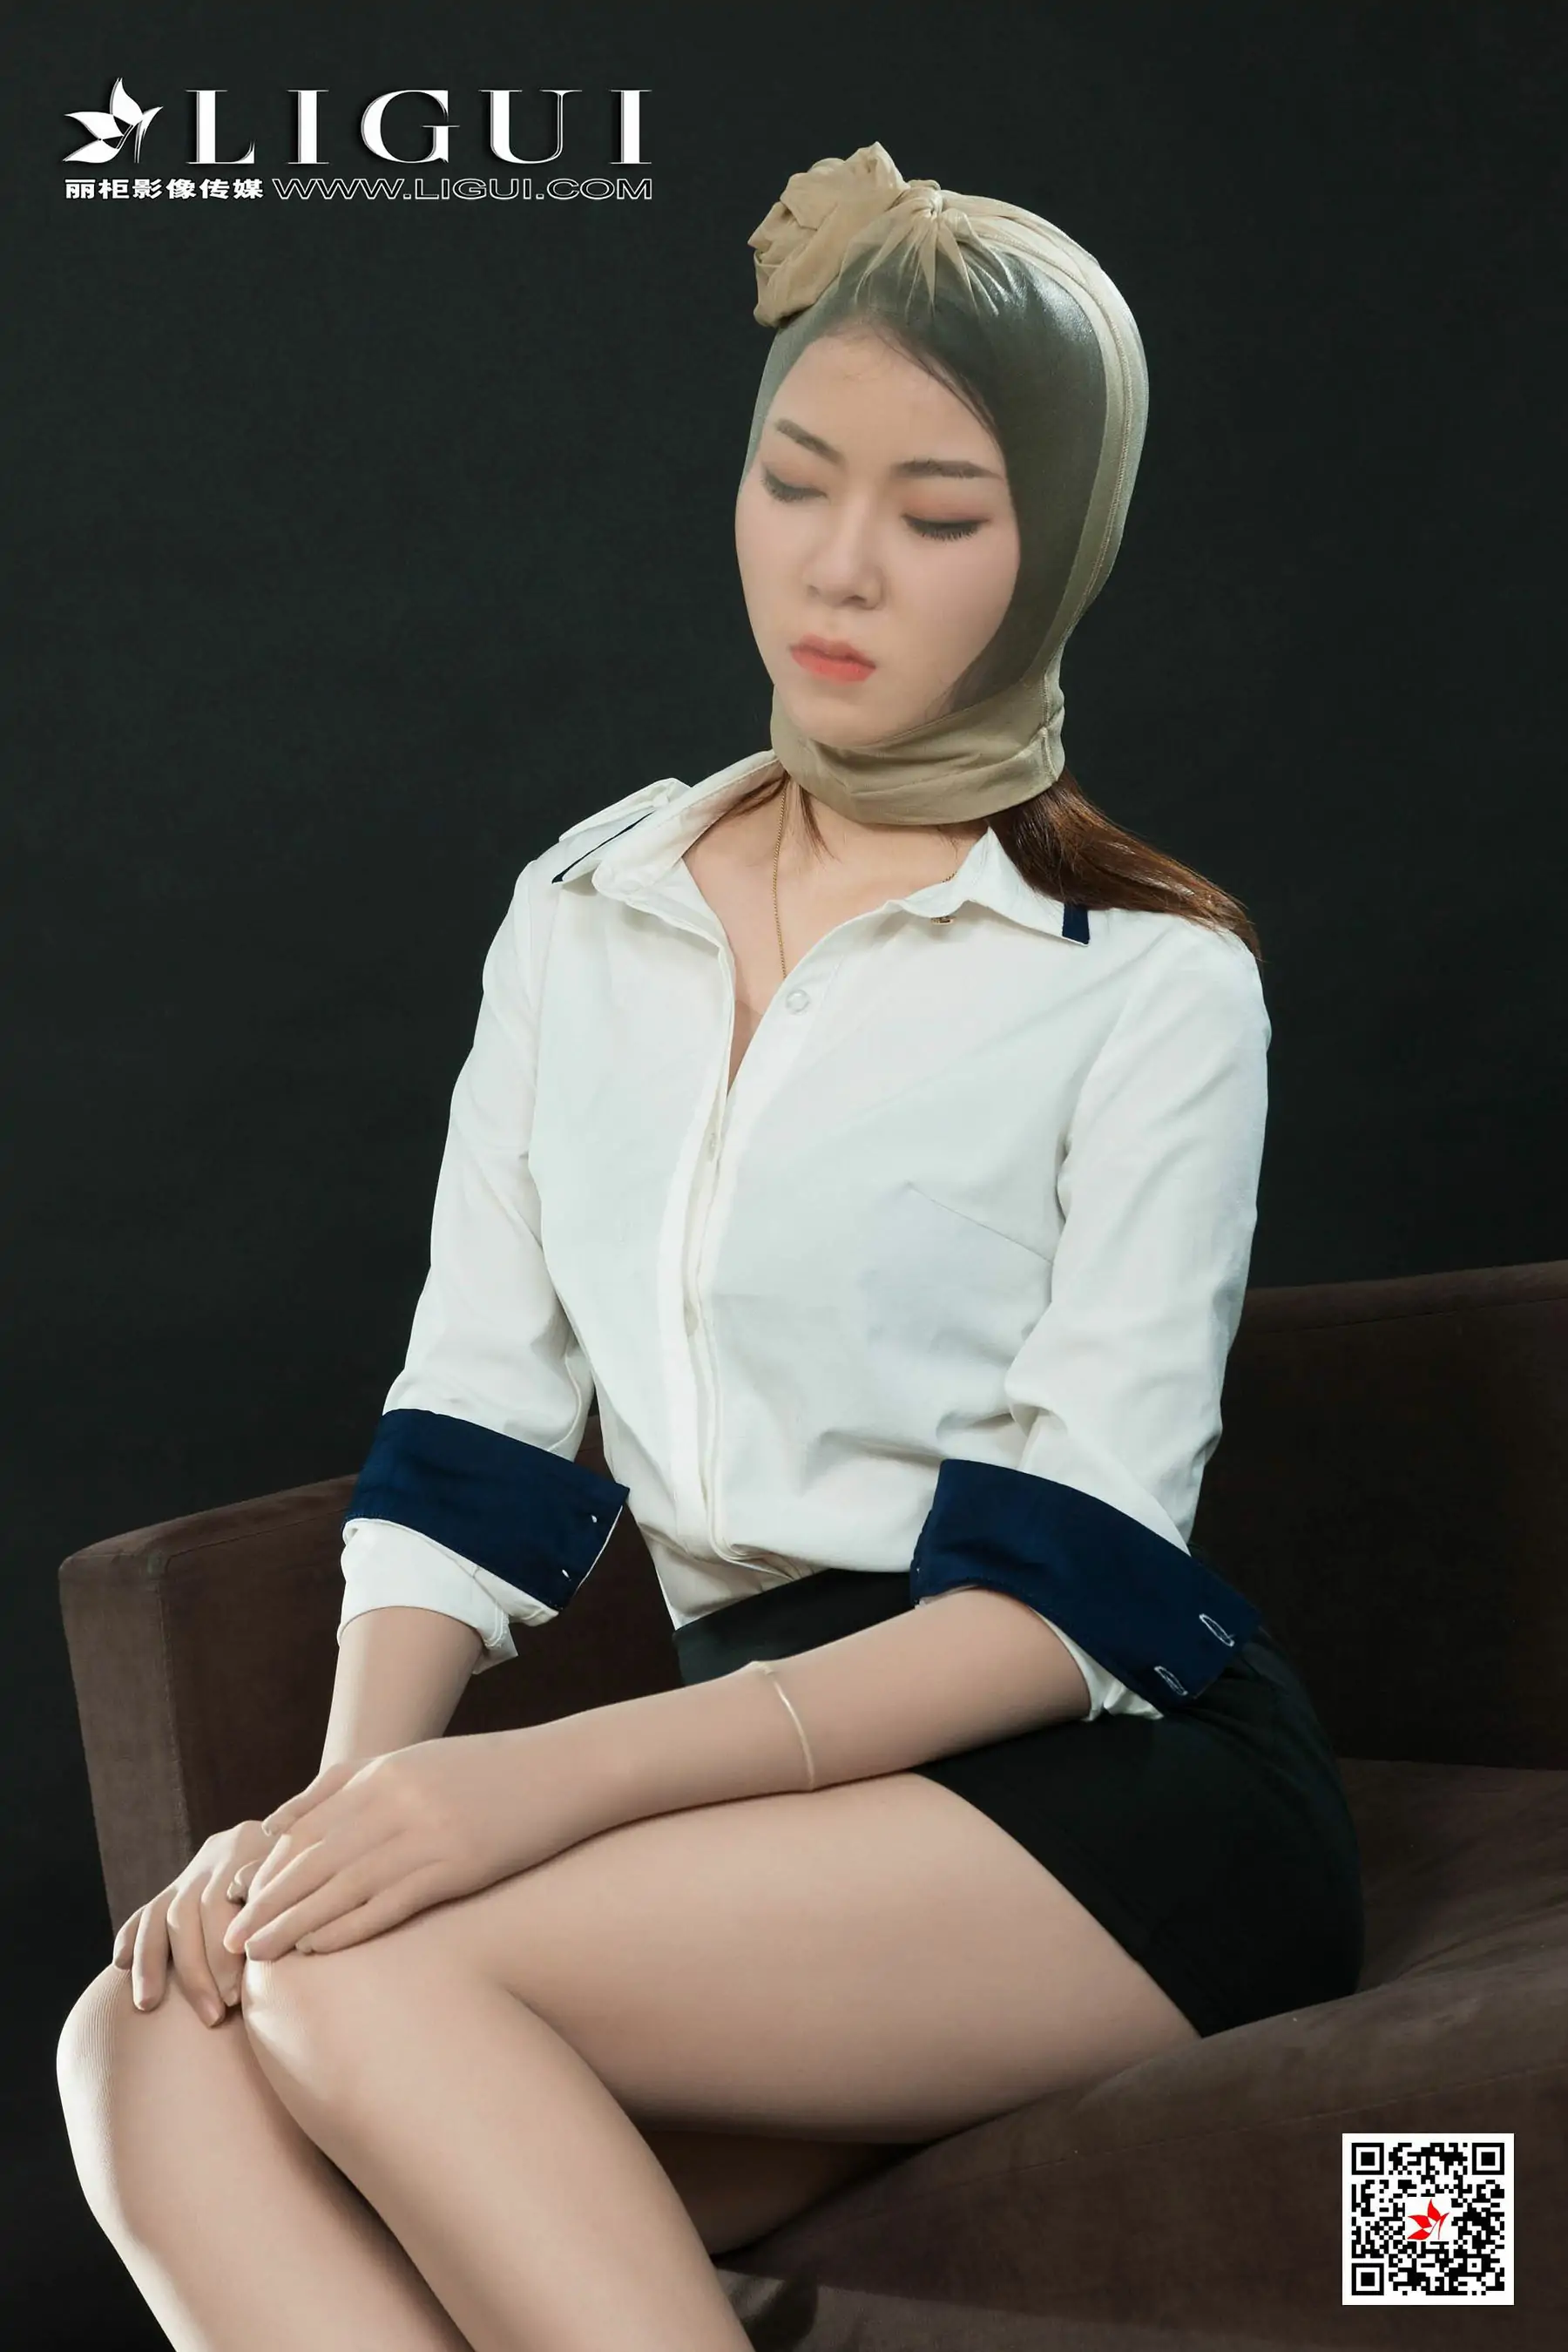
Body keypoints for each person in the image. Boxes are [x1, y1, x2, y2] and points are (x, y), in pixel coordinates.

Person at [57, 143, 1364, 2351]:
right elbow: (478, 1434)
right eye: (795, 480)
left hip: (1098, 1783)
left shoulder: (1148, 982)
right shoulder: (587, 915)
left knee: (355, 1977)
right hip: (750, 1789)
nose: (841, 566)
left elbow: (1077, 1594)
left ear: (1054, 550)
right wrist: (347, 1810)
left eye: (939, 515)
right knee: (155, 2044)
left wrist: (517, 1788)